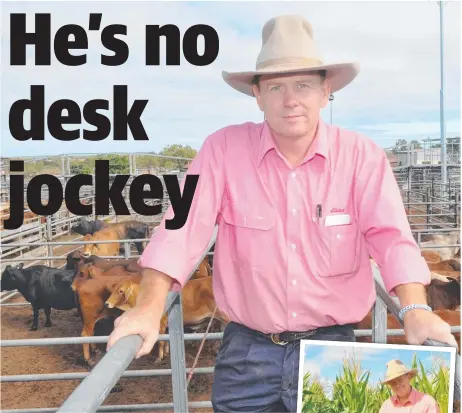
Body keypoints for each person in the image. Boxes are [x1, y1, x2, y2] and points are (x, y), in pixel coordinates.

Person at [107, 14, 458, 412]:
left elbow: (391, 236)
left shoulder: (361, 156)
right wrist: (148, 308)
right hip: (247, 353)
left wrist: (415, 309)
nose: (290, 100)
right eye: (276, 87)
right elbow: (179, 228)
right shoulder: (221, 150)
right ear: (257, 94)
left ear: (326, 91)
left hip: (332, 349)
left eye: (303, 85)